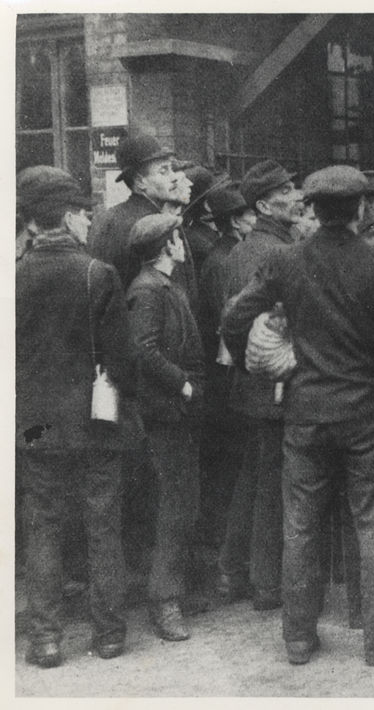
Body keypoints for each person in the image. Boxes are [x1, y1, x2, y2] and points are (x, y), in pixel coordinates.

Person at [222, 165, 374, 667]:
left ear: (313, 209)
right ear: (358, 210)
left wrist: (261, 364)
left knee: (301, 525)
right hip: (366, 414)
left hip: (305, 414)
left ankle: (299, 637)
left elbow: (234, 318)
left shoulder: (285, 260)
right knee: (371, 524)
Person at [16, 169, 140, 668]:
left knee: (43, 524)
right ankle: (109, 634)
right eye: (85, 213)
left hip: (35, 423)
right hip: (94, 419)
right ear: (67, 216)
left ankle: (44, 640)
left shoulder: (12, 276)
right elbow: (123, 363)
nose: (89, 222)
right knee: (102, 523)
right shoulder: (97, 274)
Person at [215, 160, 303, 610]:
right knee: (273, 488)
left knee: (253, 480)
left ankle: (233, 572)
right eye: (287, 189)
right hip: (274, 387)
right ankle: (267, 586)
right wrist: (270, 365)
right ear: (266, 204)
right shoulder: (277, 253)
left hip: (249, 387)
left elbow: (229, 324)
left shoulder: (240, 250)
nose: (298, 192)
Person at [126, 213, 206, 642]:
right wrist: (184, 383)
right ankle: (164, 601)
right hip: (164, 413)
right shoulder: (148, 290)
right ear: (167, 245)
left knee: (182, 504)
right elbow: (142, 350)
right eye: (178, 237)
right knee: (174, 507)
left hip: (177, 412)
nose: (184, 244)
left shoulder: (165, 285)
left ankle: (173, 590)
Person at [194, 185, 256, 546]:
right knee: (231, 468)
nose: (255, 220)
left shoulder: (225, 254)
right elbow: (226, 325)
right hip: (225, 377)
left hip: (225, 375)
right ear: (235, 221)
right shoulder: (224, 260)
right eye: (250, 214)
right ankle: (224, 545)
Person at [89, 134, 198, 308]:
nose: (173, 177)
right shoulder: (157, 226)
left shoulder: (105, 218)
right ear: (140, 182)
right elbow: (175, 294)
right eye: (164, 171)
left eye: (171, 169)